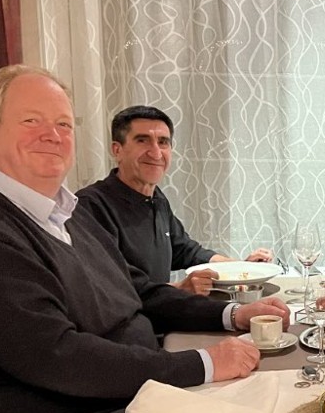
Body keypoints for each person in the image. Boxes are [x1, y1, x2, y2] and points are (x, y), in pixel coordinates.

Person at [0, 66, 291, 413]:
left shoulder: (66, 213)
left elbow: (137, 290)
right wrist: (201, 365)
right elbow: (56, 357)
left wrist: (231, 315)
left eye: (63, 124)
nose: (52, 135)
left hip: (97, 393)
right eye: (31, 120)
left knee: (269, 395)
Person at [76, 105, 274, 296]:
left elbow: (185, 250)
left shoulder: (156, 198)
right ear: (117, 150)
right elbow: (110, 285)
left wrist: (241, 268)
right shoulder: (90, 205)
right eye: (142, 140)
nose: (155, 153)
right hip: (127, 318)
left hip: (162, 311)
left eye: (163, 142)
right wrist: (178, 289)